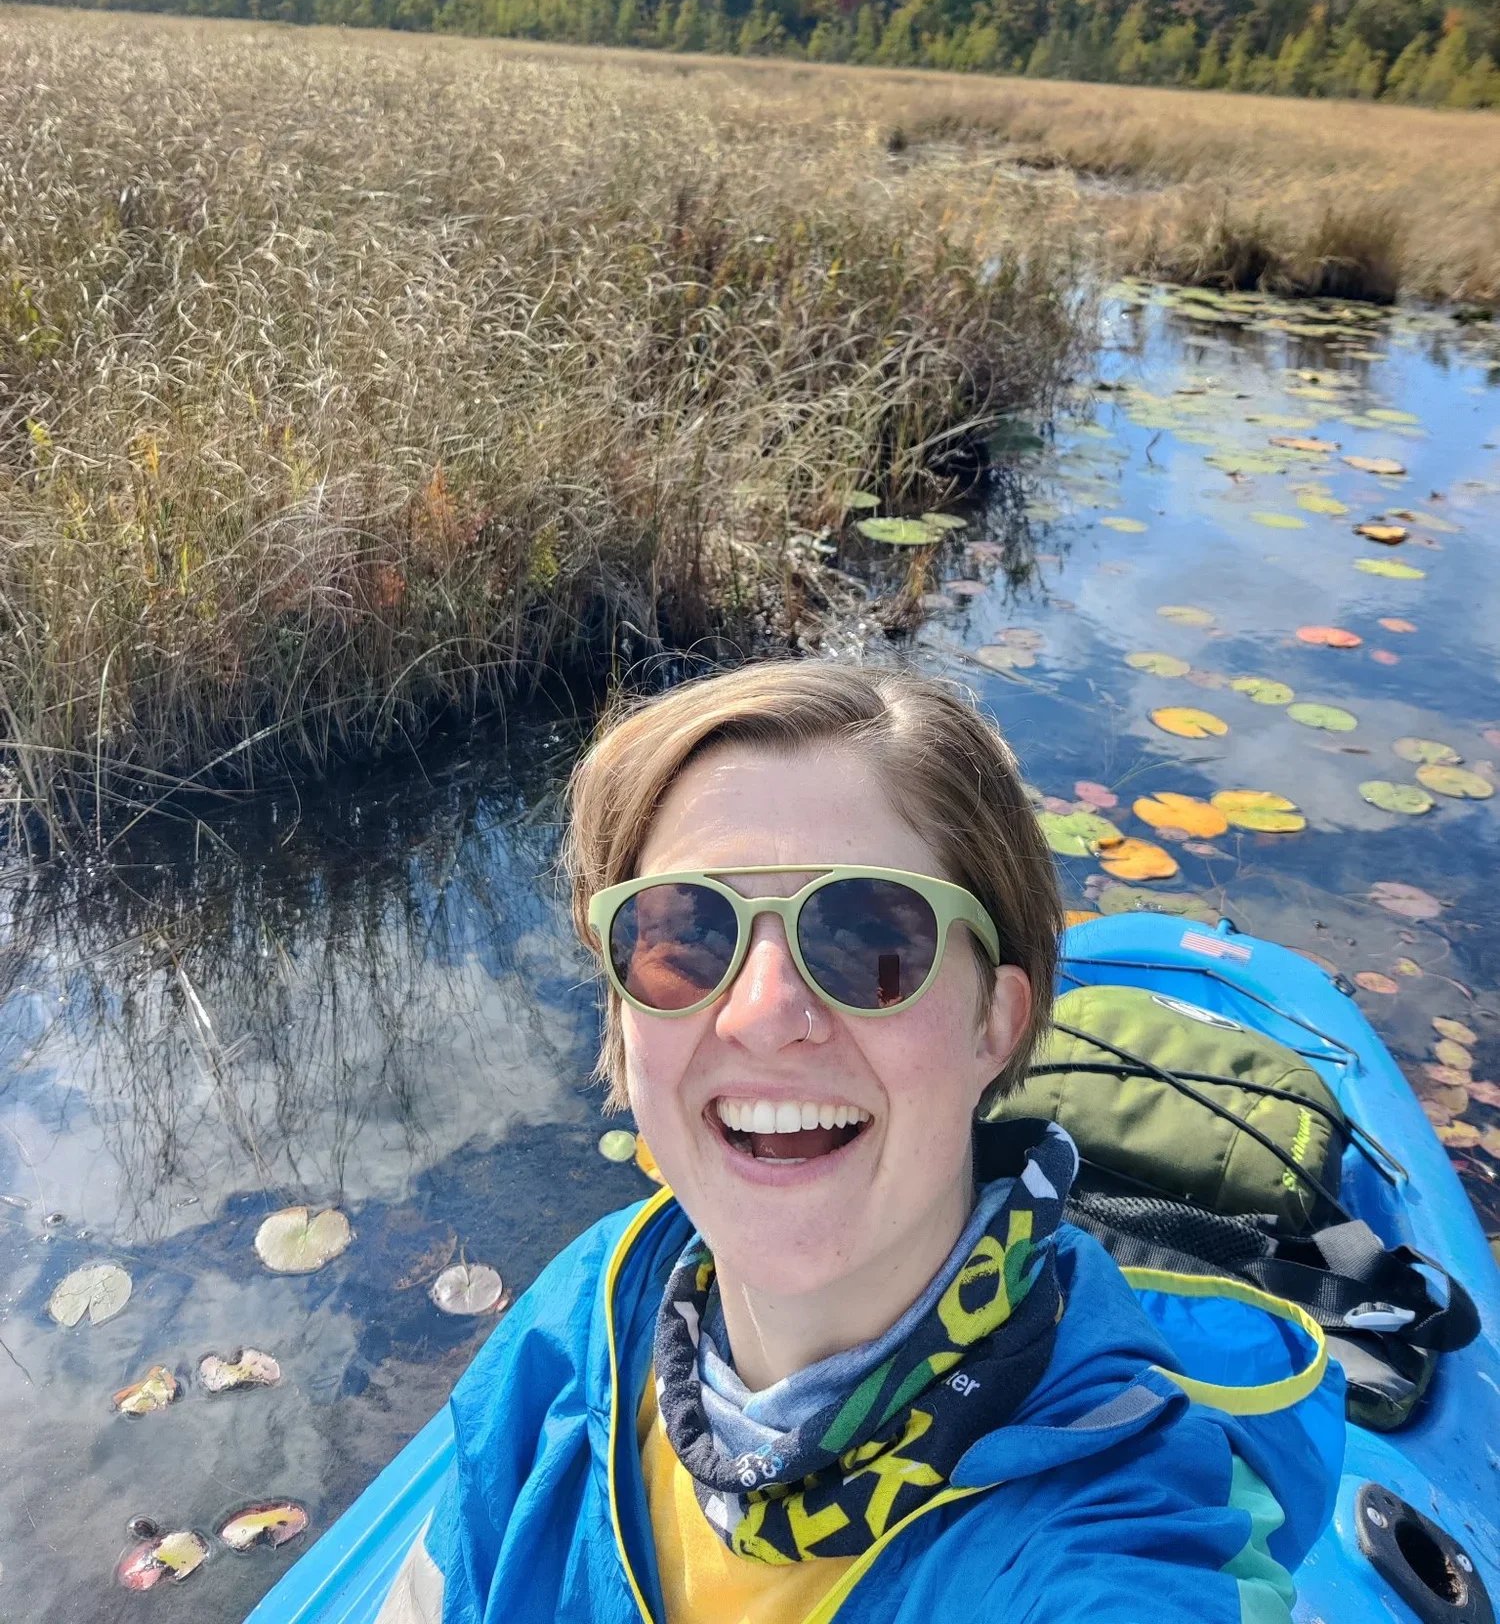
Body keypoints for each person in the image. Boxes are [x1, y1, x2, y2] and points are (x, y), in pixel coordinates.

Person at [379, 660, 1341, 1624]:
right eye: (684, 938)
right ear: (625, 1024)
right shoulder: (586, 1309)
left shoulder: (1098, 1549)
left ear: (994, 1026)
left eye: (867, 940)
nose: (763, 1014)